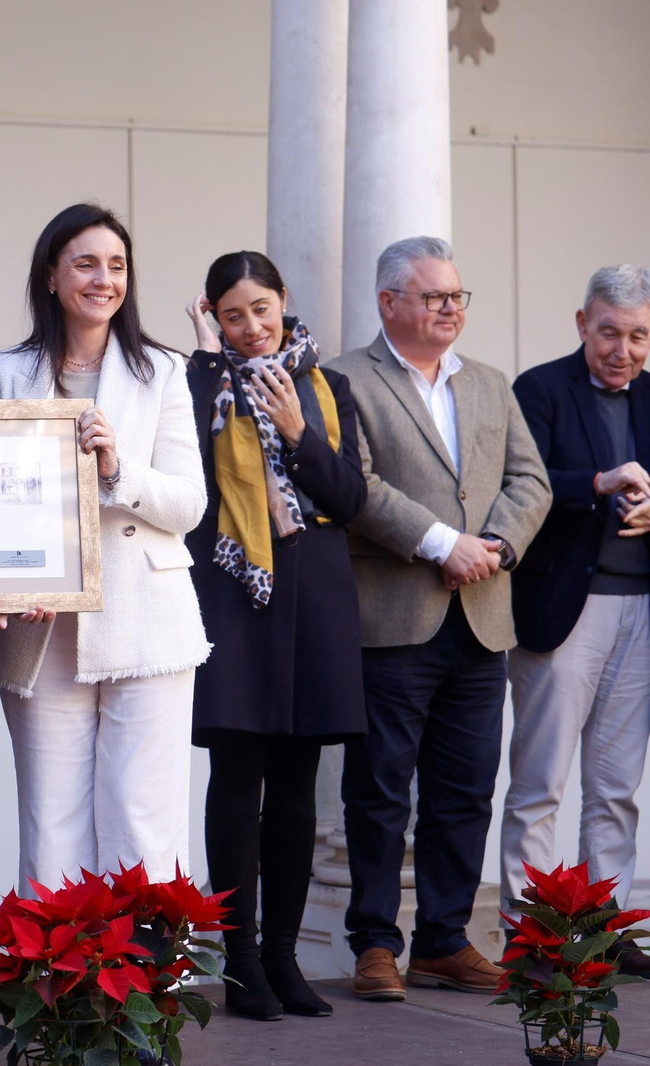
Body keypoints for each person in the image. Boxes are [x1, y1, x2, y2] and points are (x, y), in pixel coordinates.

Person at [328, 236, 550, 1002]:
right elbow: (354, 487)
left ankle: (445, 941)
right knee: (381, 791)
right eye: (434, 296)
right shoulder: (345, 379)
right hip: (394, 617)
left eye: (457, 296)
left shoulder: (489, 383)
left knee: (466, 790)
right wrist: (440, 544)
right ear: (389, 302)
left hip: (483, 620)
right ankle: (375, 944)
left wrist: (496, 545)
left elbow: (530, 479)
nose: (450, 308)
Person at [0, 202, 209, 895]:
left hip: (146, 614)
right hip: (39, 621)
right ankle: (57, 990)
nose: (103, 279)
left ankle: (149, 990)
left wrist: (117, 470)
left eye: (116, 265)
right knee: (51, 817)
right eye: (85, 263)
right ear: (51, 276)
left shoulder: (165, 372)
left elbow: (188, 504)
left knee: (144, 816)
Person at [181, 251, 368, 1021]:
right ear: (213, 316)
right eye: (233, 314)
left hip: (316, 589)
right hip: (236, 589)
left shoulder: (328, 386)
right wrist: (202, 359)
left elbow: (349, 497)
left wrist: (297, 432)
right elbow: (188, 480)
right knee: (237, 779)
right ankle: (240, 960)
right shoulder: (195, 384)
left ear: (284, 303)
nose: (252, 327)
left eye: (262, 308)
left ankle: (286, 957)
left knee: (297, 787)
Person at [503, 264, 650, 976]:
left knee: (617, 787)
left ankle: (608, 931)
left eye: (638, 336)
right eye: (609, 333)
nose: (623, 350)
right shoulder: (539, 389)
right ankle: (533, 939)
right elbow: (523, 485)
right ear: (581, 324)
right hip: (563, 611)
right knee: (540, 785)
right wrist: (599, 483)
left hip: (641, 610)